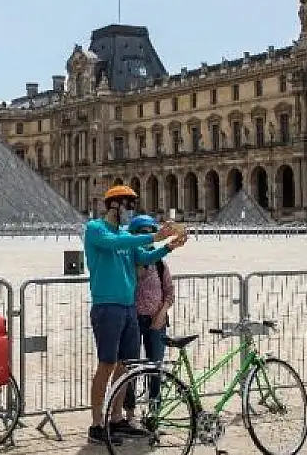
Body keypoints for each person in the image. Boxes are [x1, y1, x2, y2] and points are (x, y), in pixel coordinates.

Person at [84, 185, 186, 445]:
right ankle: (97, 424)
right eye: (129, 206)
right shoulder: (96, 229)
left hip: (128, 306)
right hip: (107, 306)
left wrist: (169, 247)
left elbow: (144, 256)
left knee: (125, 366)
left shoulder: (124, 236)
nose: (132, 212)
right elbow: (114, 243)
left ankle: (117, 419)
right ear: (114, 205)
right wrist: (152, 237)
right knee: (106, 364)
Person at [122, 214, 175, 424]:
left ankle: (154, 413)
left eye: (150, 233)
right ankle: (129, 413)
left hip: (157, 322)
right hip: (134, 321)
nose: (147, 238)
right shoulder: (129, 265)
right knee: (130, 369)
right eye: (142, 234)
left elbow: (169, 293)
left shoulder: (161, 264)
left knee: (155, 369)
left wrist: (161, 315)